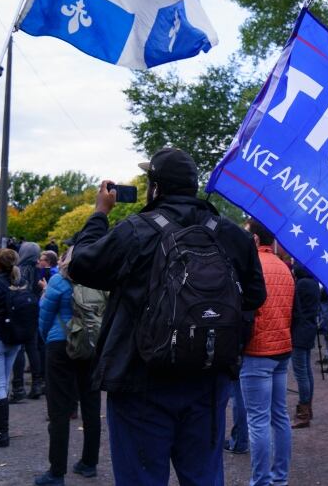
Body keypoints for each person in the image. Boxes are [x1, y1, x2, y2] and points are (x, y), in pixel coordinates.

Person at [67, 148, 267, 485]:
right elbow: (255, 296)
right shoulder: (232, 234)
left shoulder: (136, 231)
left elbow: (81, 265)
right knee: (203, 477)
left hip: (141, 379)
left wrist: (100, 213)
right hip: (208, 376)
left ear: (155, 188)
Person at [34, 247, 101, 486]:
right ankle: (89, 463)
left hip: (60, 345)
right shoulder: (97, 282)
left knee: (59, 410)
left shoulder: (58, 282)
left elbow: (44, 316)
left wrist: (48, 340)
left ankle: (56, 472)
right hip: (90, 347)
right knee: (91, 404)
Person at [240, 218, 293, 486]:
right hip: (282, 348)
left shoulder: (251, 267)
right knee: (279, 416)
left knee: (258, 420)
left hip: (257, 351)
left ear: (256, 239)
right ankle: (279, 478)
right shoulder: (285, 268)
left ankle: (260, 482)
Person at [0, 249, 24, 447]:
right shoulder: (20, 282)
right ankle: (1, 430)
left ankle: (0, 433)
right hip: (16, 337)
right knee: (2, 381)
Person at [10, 242, 45, 402]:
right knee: (33, 348)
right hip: (34, 311)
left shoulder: (18, 271)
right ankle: (37, 384)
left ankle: (18, 387)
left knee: (19, 349)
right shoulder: (39, 270)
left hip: (19, 312)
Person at [290, 263, 319, 429]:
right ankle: (308, 407)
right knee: (307, 371)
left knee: (301, 373)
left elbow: (295, 308)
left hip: (299, 332)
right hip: (309, 329)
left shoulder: (301, 284)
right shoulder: (313, 283)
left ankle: (303, 412)